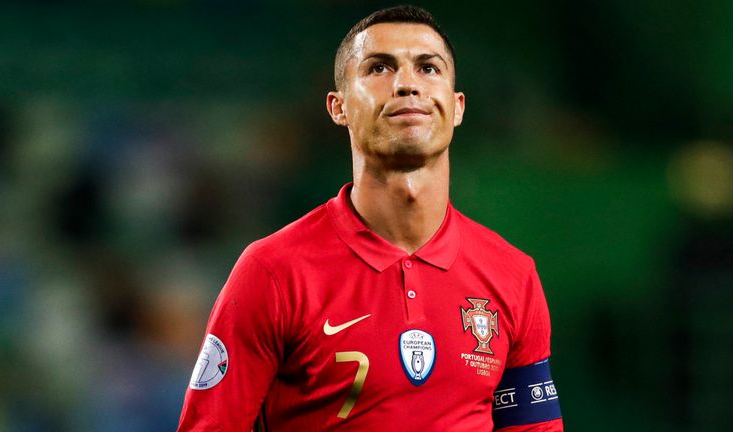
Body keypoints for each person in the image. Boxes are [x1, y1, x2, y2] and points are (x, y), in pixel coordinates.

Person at [178, 5, 563, 431]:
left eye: (428, 68)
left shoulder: (513, 275)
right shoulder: (272, 272)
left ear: (456, 107)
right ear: (337, 107)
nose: (406, 84)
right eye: (379, 67)